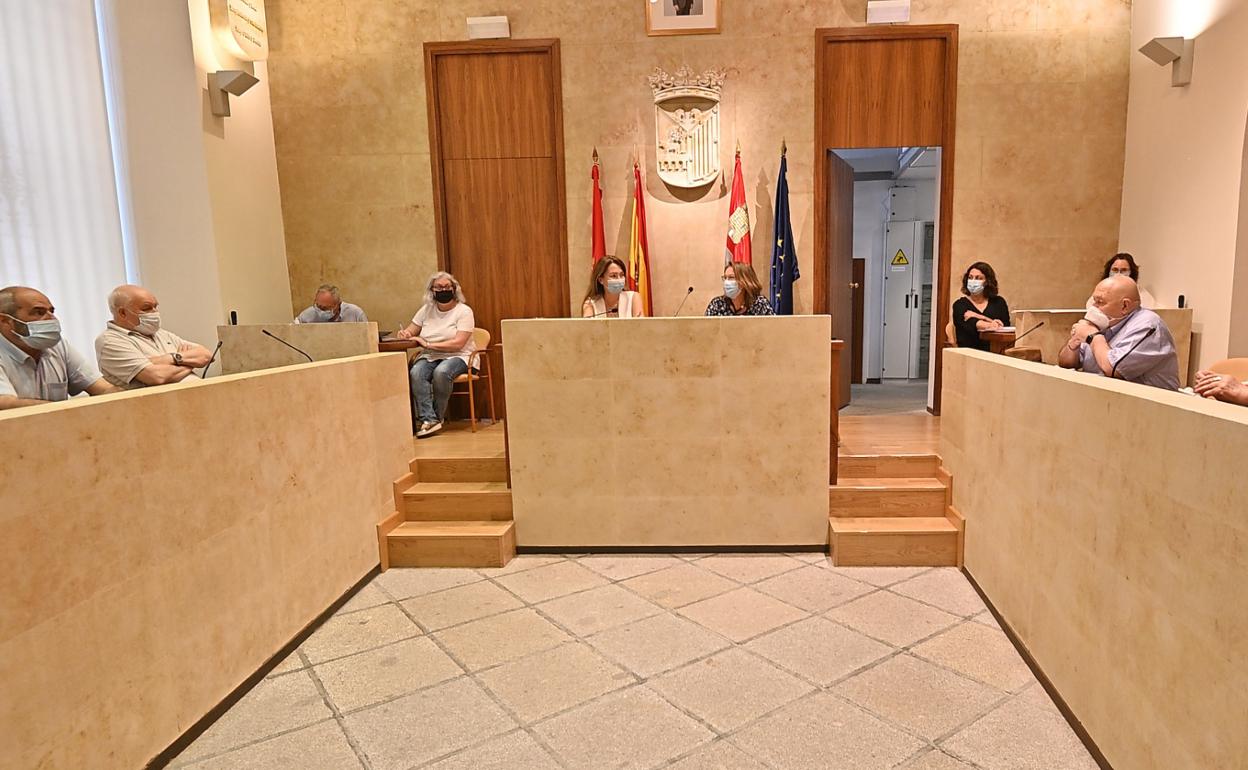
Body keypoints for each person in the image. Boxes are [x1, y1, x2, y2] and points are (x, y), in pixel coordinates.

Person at [0, 286, 118, 410]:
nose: (52, 318)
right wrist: (66, 411)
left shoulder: (58, 346)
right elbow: (6, 404)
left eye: (51, 311)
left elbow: (102, 388)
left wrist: (121, 398)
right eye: (39, 312)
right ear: (4, 321)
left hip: (61, 420)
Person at [1058, 275, 1179, 390]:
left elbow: (1113, 369)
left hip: (1149, 402)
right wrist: (1073, 343)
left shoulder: (1148, 325)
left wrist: (1093, 336)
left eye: (1100, 302)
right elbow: (1066, 363)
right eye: (1094, 301)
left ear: (1125, 306)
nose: (1093, 307)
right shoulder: (1103, 322)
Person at [395, 272, 477, 438]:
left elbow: (458, 343)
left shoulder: (464, 311)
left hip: (459, 355)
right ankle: (429, 419)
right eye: (439, 287)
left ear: (454, 289)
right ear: (432, 290)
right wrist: (405, 334)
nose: (443, 290)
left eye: (447, 287)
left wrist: (428, 344)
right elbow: (411, 331)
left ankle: (434, 419)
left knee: (441, 372)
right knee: (416, 373)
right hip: (431, 355)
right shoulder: (426, 310)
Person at [95, 284, 215, 389]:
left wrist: (171, 358)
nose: (155, 312)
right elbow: (157, 376)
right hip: (158, 404)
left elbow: (206, 355)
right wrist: (191, 363)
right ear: (122, 313)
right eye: (146, 308)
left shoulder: (161, 334)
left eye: (155, 307)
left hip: (196, 395)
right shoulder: (110, 341)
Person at [951, 262, 1010, 351]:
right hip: (969, 353)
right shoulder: (960, 305)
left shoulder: (999, 302)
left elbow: (1005, 329)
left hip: (996, 353)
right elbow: (975, 324)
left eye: (979, 278)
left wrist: (979, 316)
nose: (973, 281)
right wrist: (992, 324)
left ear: (987, 282)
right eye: (970, 277)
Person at [705, 262, 775, 316]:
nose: (726, 282)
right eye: (725, 278)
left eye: (731, 277)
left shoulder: (760, 304)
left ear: (745, 281)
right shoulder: (717, 304)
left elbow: (773, 328)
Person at [1090, 253, 1157, 309]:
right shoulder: (1100, 292)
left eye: (1124, 270)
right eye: (1115, 270)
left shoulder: (1142, 294)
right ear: (1108, 272)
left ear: (1132, 273)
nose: (1119, 274)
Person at [294, 284, 367, 323]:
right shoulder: (307, 316)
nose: (320, 311)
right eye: (318, 306)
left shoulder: (355, 314)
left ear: (338, 304)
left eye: (325, 308)